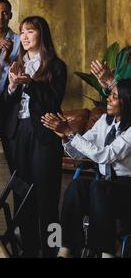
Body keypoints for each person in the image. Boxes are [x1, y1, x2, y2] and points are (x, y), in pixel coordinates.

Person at [0, 16, 67, 257]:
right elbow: (5, 103)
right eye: (22, 32)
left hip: (44, 133)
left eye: (30, 31)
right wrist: (11, 86)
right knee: (22, 193)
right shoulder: (16, 64)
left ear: (42, 35)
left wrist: (28, 84)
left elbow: (52, 101)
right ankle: (28, 248)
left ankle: (52, 249)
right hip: (18, 133)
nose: (25, 37)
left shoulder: (56, 66)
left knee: (47, 197)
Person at [42, 79, 131, 258]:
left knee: (99, 187)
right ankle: (66, 248)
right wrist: (65, 137)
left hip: (126, 190)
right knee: (77, 186)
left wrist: (70, 133)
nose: (108, 99)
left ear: (127, 102)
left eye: (114, 97)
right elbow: (77, 152)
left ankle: (106, 252)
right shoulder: (104, 123)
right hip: (105, 188)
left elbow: (105, 155)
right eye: (110, 95)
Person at [0, 0, 21, 172]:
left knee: (14, 160)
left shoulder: (18, 41)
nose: (0, 16)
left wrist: (8, 57)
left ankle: (20, 199)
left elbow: (21, 70)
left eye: (4, 12)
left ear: (10, 16)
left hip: (9, 106)